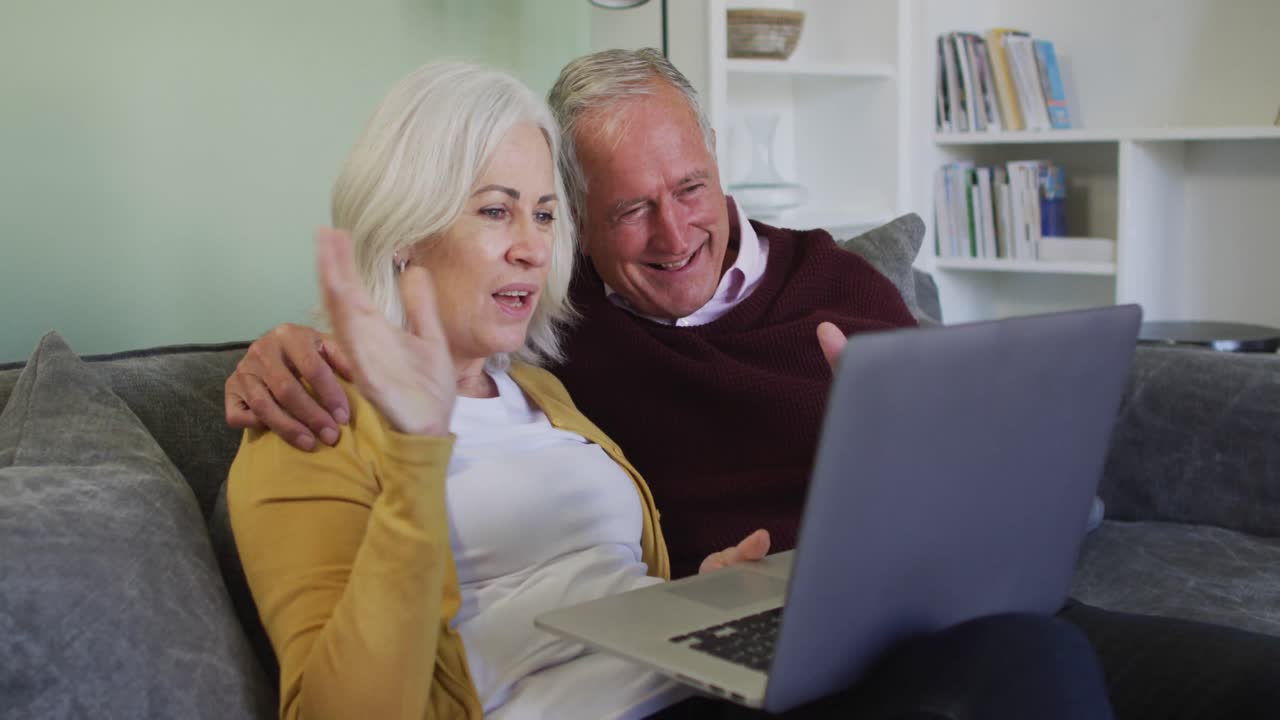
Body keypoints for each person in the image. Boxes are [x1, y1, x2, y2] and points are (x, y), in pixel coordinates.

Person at [227, 49, 1279, 719]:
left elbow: (609, 586)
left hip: (789, 643)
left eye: (539, 215)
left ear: (718, 161)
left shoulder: (550, 387)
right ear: (407, 222)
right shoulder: (358, 409)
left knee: (1109, 661)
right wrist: (362, 394)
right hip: (707, 690)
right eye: (500, 211)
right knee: (1027, 668)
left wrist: (703, 587)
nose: (531, 249)